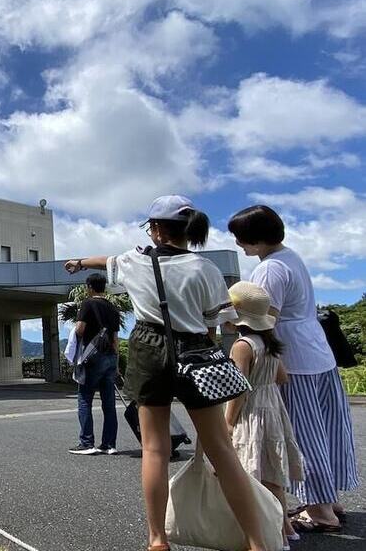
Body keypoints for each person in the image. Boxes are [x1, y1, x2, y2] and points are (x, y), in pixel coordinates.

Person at [65, 195, 268, 551]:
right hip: (195, 349)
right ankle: (256, 542)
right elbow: (214, 325)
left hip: (147, 347)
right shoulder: (205, 269)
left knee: (155, 450)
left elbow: (105, 259)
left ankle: (157, 540)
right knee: (221, 450)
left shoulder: (134, 261)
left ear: (156, 229)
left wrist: (79, 262)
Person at [228, 205, 359, 533]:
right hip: (318, 353)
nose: (239, 245)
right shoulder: (292, 257)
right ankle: (330, 501)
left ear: (257, 239)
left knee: (303, 435)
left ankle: (320, 513)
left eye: (242, 239)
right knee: (327, 431)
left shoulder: (269, 270)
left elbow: (264, 319)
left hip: (294, 358)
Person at [224, 281, 304, 550]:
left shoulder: (242, 346)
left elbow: (240, 390)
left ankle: (267, 535)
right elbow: (282, 377)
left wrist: (228, 422)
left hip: (251, 413)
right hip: (274, 409)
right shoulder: (269, 344)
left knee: (251, 474)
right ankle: (286, 529)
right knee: (273, 474)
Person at [68, 274, 121, 456]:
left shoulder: (88, 304)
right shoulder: (113, 308)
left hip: (93, 356)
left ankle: (87, 443)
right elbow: (115, 339)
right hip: (110, 357)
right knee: (109, 403)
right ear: (104, 287)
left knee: (84, 398)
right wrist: (116, 364)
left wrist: (75, 331)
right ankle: (109, 444)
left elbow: (81, 329)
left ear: (89, 287)